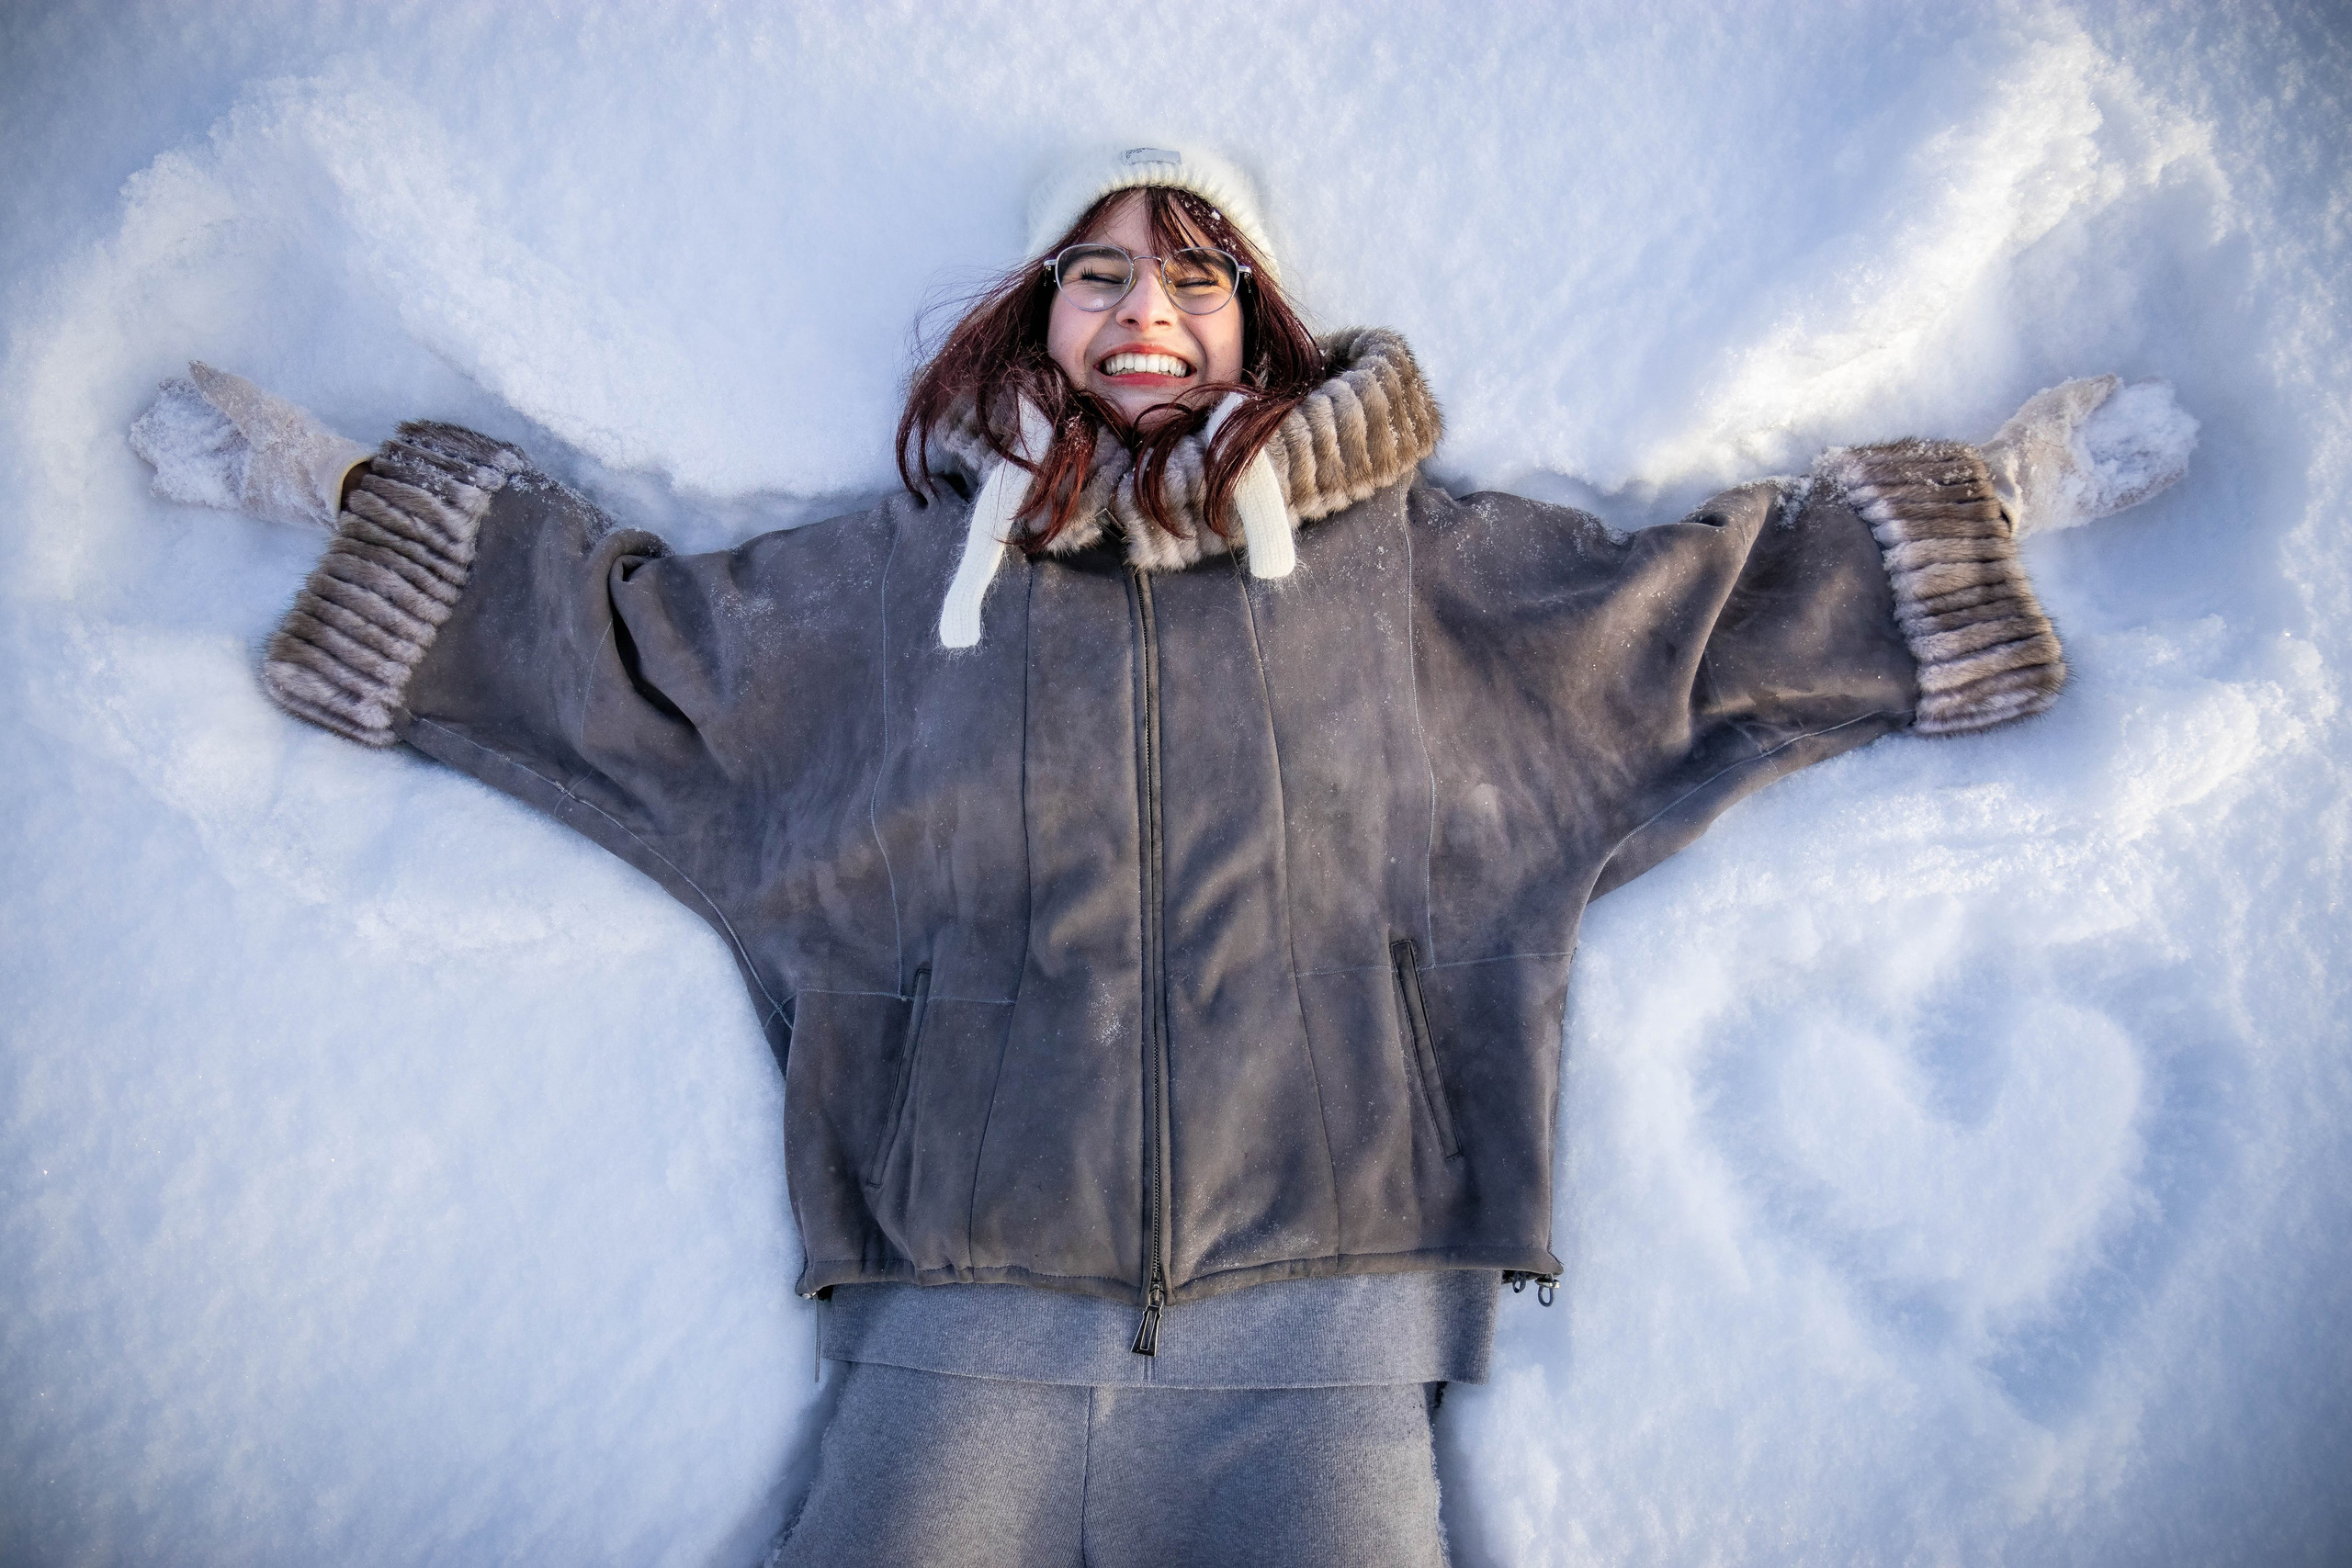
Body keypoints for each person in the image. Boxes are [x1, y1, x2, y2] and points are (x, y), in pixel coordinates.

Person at [129, 144, 2192, 1567]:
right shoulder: (898, 599)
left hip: (1331, 1344)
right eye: (1099, 272)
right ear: (1035, 316)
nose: (1147, 313)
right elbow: (629, 664)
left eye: (1195, 275)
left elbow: (1686, 634)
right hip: (954, 1332)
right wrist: (331, 485)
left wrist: (1997, 493)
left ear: (1258, 320)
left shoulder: (1416, 580)